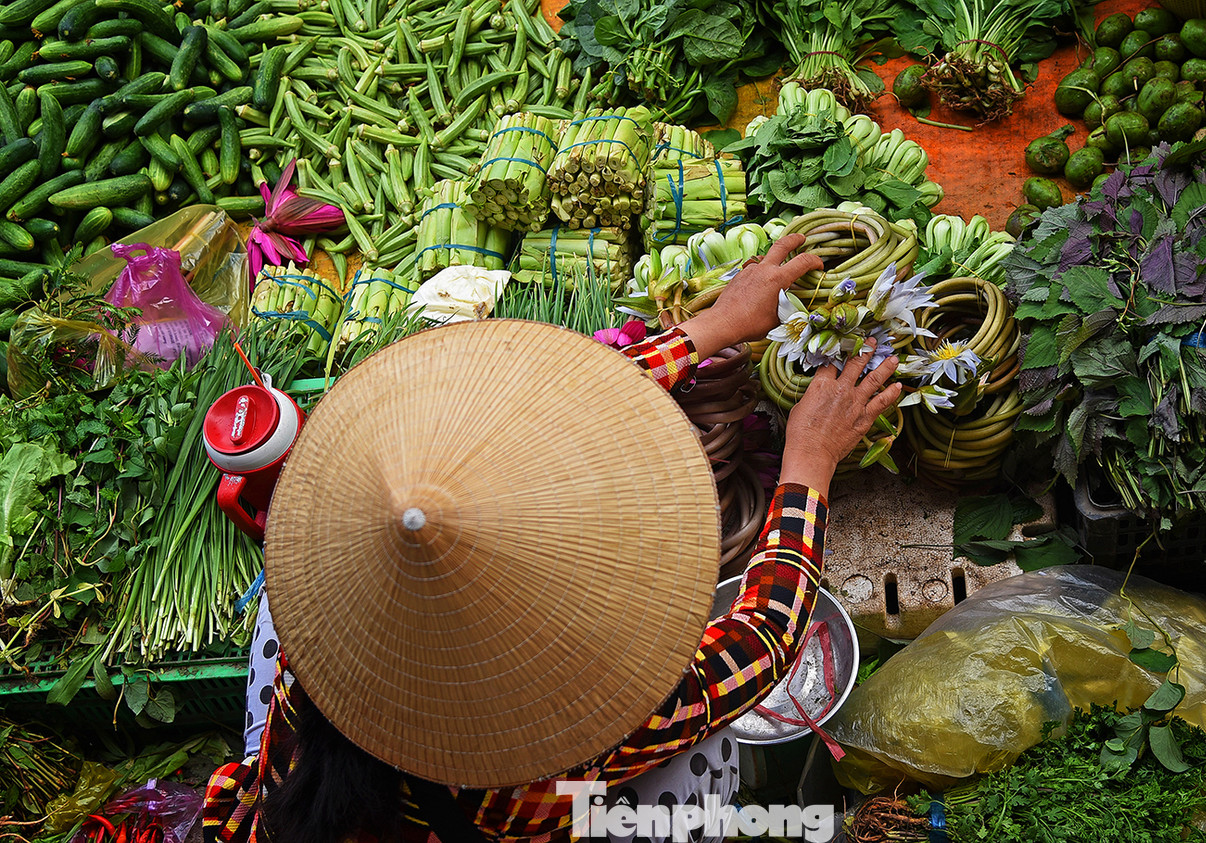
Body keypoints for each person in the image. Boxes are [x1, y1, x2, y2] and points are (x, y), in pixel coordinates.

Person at [203, 234, 902, 843]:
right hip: (487, 817)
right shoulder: (558, 741)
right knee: (703, 750)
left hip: (306, 803)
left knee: (272, 604)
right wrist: (808, 465)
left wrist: (707, 330)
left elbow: (548, 409)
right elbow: (764, 638)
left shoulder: (328, 609)